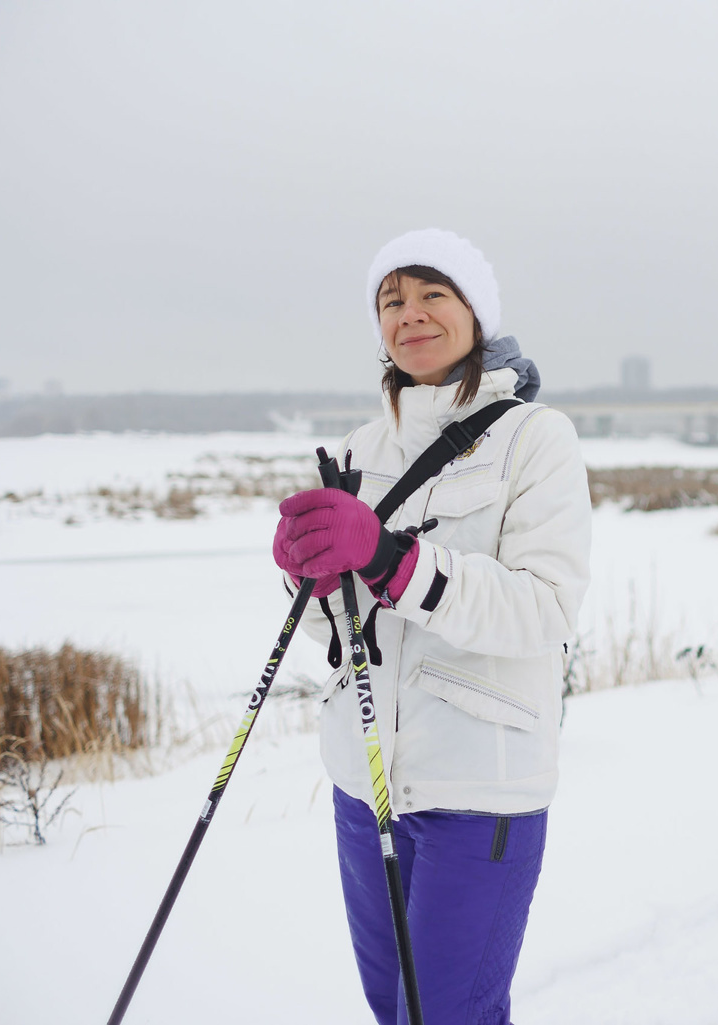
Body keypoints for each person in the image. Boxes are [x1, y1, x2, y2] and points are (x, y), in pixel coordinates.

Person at [272, 228, 592, 1024]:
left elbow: (544, 608)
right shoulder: (360, 447)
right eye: (391, 301)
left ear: (476, 312)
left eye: (431, 295)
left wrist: (392, 559)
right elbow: (343, 634)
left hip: (478, 792)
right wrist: (308, 579)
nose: (409, 314)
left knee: (448, 1016)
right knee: (393, 1010)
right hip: (365, 783)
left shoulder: (535, 438)